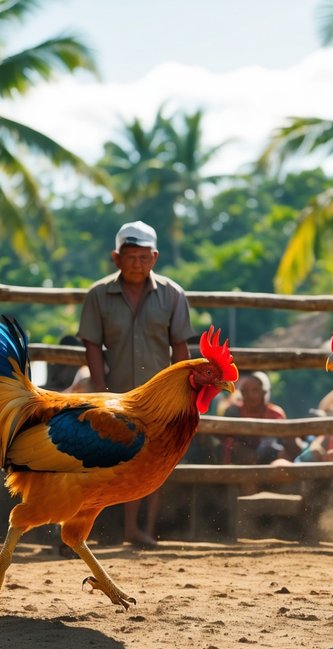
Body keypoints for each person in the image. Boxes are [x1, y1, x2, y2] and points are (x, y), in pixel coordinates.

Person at [78, 220, 193, 547]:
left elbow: (181, 348)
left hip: (158, 399)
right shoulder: (99, 295)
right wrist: (100, 391)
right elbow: (92, 346)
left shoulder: (173, 295)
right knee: (94, 464)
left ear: (155, 258)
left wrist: (180, 395)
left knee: (152, 464)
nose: (137, 264)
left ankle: (139, 529)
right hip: (114, 394)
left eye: (144, 258)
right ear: (116, 258)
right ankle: (87, 530)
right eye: (131, 257)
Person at [221, 372, 288, 465]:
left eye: (254, 390)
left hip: (269, 462)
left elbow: (285, 444)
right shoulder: (233, 412)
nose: (249, 395)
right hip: (238, 462)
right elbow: (226, 441)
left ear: (263, 393)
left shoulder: (275, 414)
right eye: (245, 391)